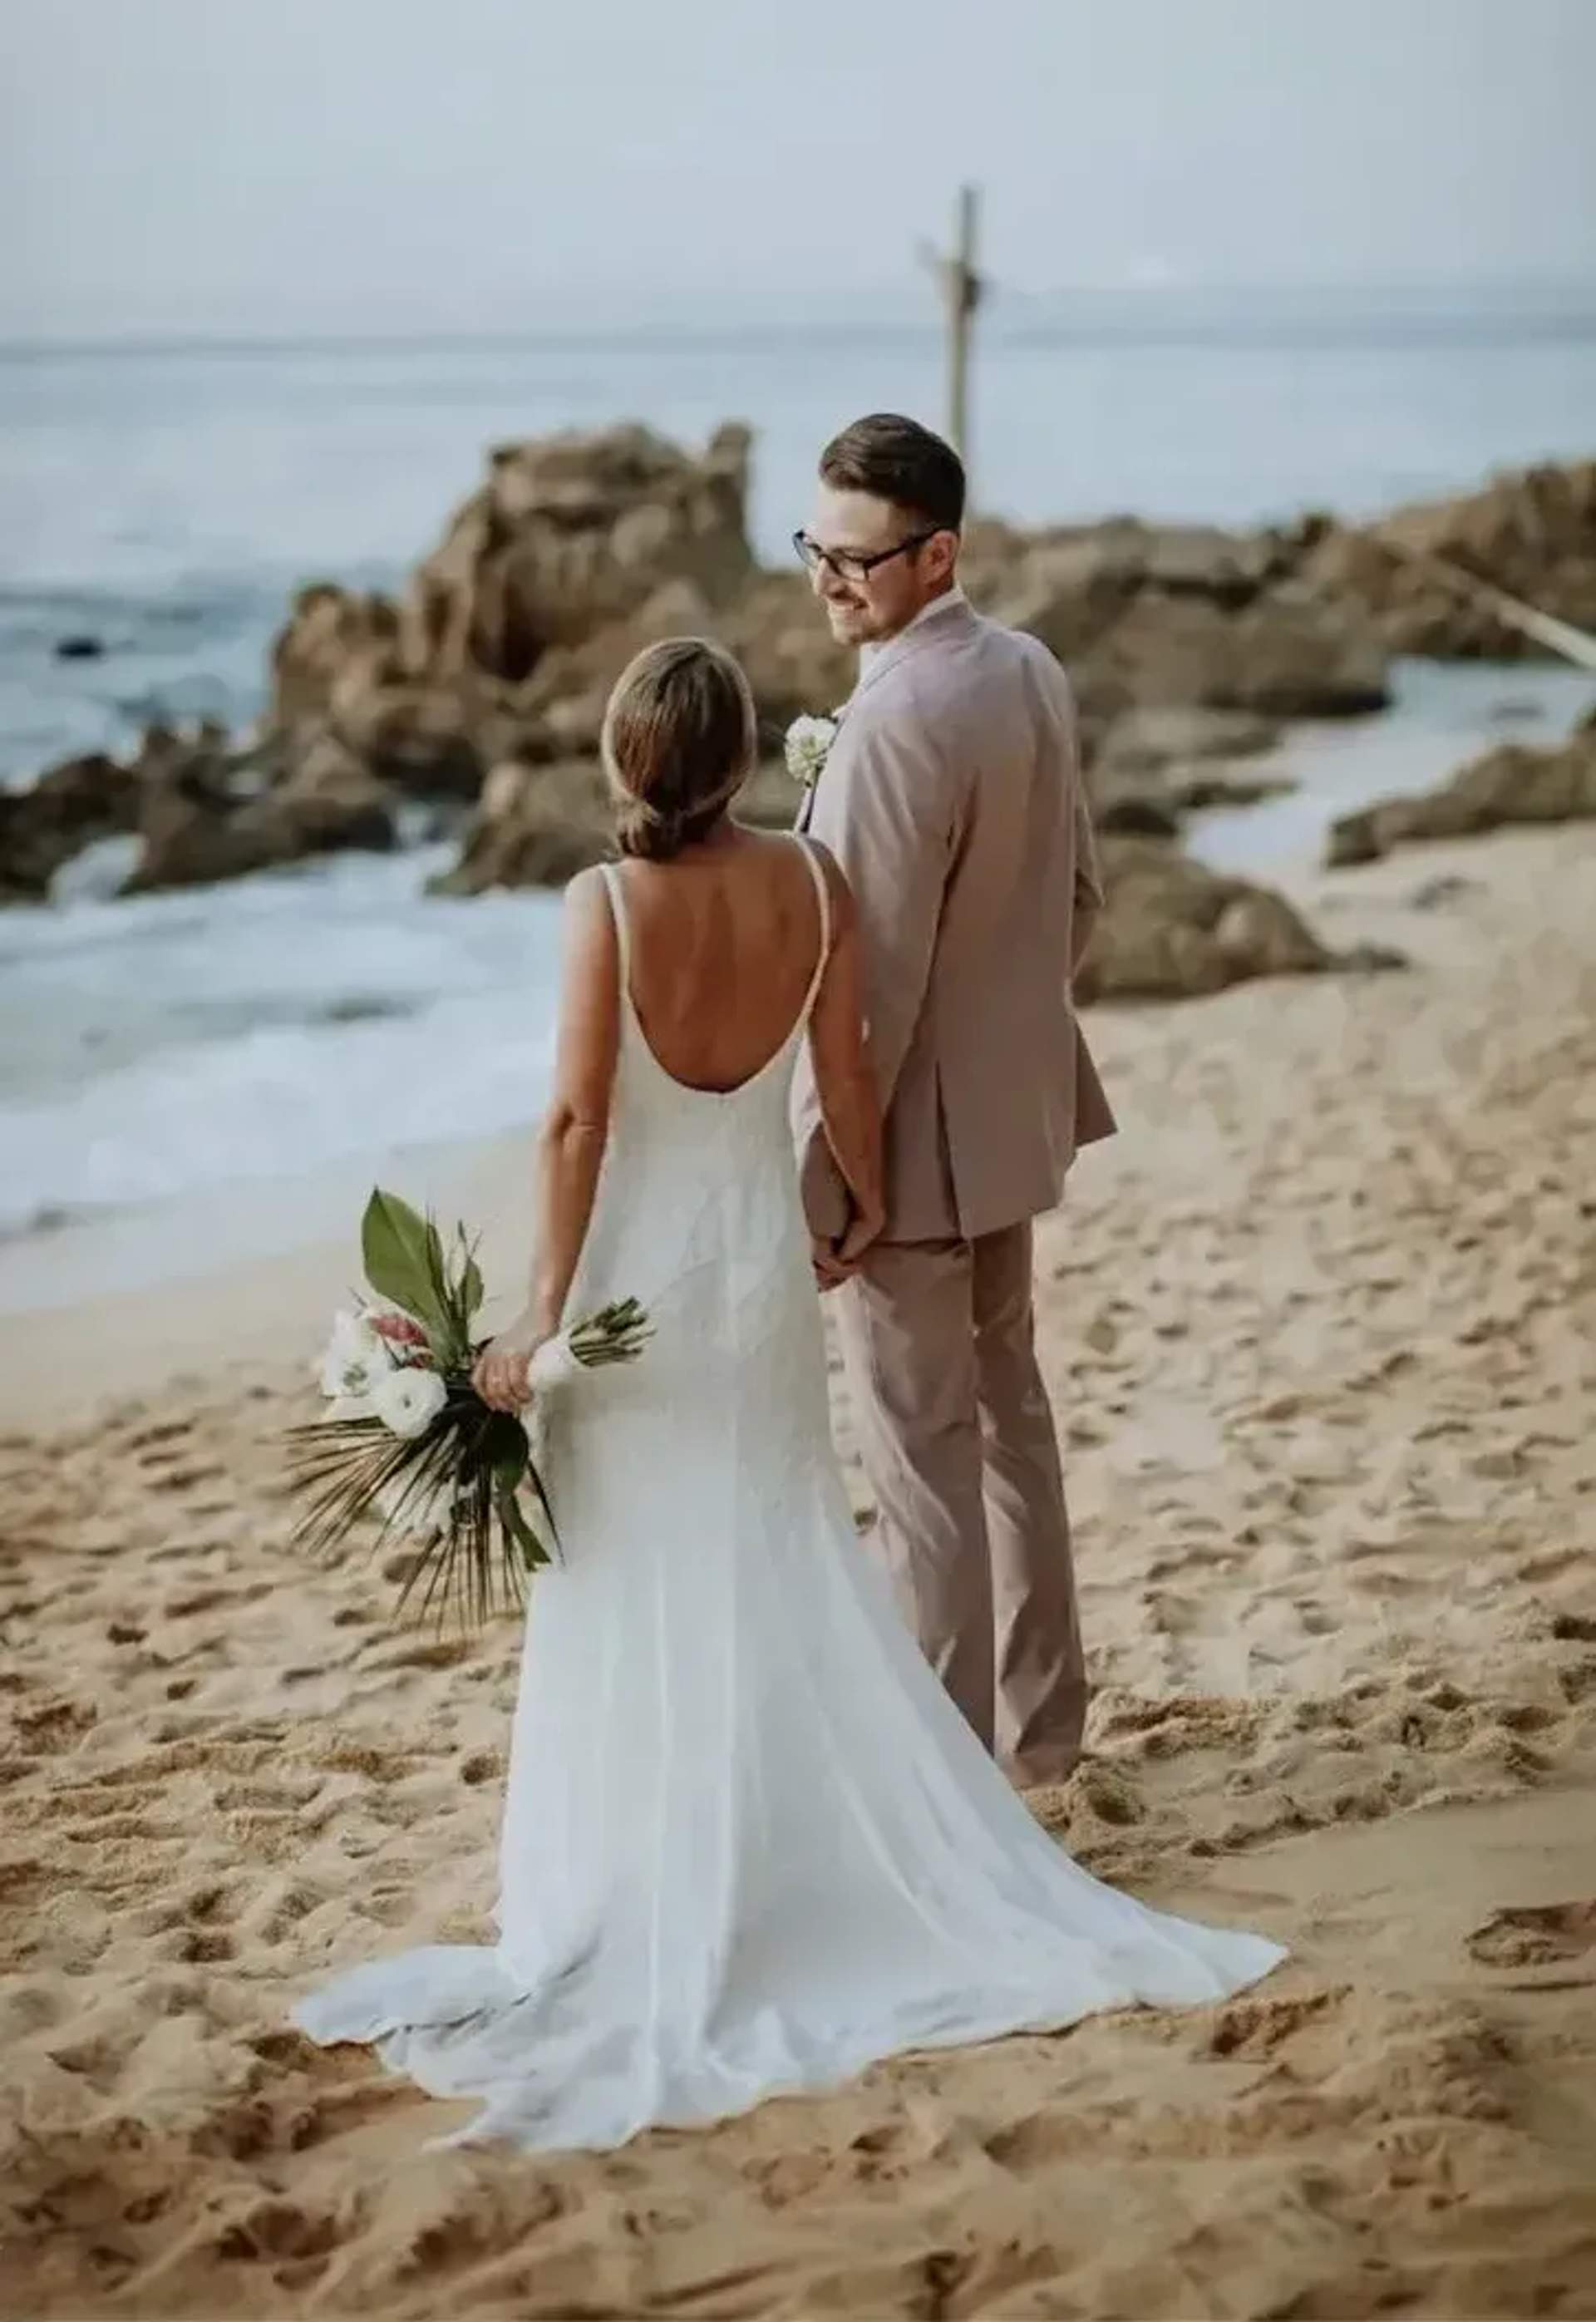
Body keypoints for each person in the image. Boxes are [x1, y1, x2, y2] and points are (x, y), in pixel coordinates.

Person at [291, 637, 1282, 2153]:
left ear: (623, 761)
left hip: (630, 1284)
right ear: (742, 758)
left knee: (627, 1568)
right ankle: (791, 1853)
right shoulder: (811, 884)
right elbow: (851, 1068)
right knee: (775, 1541)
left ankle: (647, 1873)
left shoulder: (605, 903)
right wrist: (860, 1202)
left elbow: (577, 1121)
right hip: (753, 1276)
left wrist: (542, 1313)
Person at [793, 412, 1113, 1788]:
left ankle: (949, 1778)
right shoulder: (1030, 669)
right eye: (815, 549)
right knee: (1008, 1426)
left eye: (856, 559)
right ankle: (1046, 1741)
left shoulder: (893, 722)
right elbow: (1077, 899)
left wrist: (830, 1182)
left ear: (939, 556)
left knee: (922, 1468)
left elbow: (866, 996)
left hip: (906, 1159)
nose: (828, 581)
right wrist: (1005, 1046)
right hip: (1008, 1121)